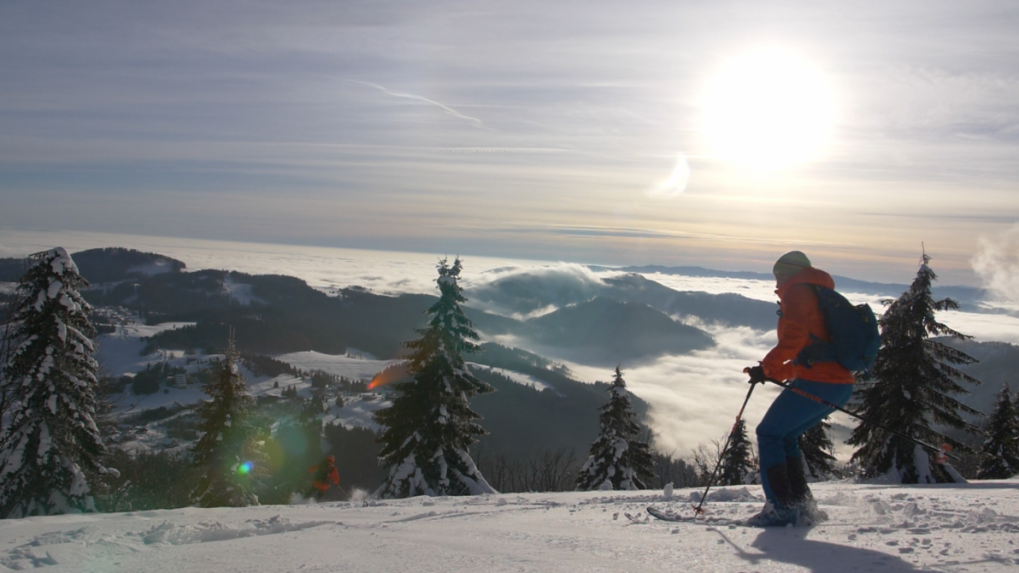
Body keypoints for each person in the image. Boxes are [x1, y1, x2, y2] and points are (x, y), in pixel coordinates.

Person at [747, 251, 855, 527]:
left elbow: (793, 341)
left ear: (787, 272)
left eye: (777, 274)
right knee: (785, 437)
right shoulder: (815, 293)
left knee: (769, 433)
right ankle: (802, 506)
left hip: (821, 382)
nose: (776, 280)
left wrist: (766, 365)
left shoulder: (797, 293)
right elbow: (806, 357)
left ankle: (781, 508)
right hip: (835, 383)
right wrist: (770, 371)